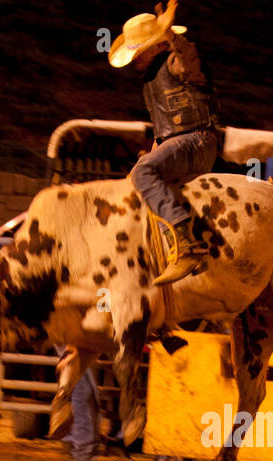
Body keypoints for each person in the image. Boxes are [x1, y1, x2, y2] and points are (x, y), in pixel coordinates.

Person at [110, 0, 219, 285]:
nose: (135, 58)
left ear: (157, 45)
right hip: (183, 144)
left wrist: (171, 34)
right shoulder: (151, 81)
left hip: (196, 140)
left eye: (138, 51)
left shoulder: (174, 62)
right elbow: (164, 133)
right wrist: (147, 158)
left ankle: (186, 243)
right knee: (138, 179)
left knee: (144, 173)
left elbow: (192, 63)